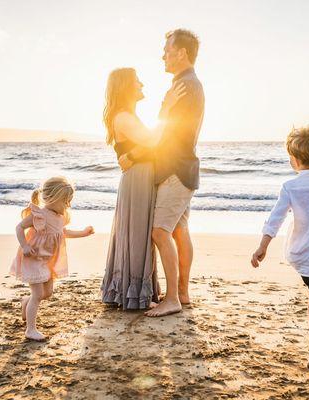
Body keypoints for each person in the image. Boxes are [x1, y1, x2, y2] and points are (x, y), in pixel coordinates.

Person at [119, 29, 205, 317]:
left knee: (160, 232)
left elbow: (166, 132)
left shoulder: (185, 86)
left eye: (167, 50)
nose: (163, 55)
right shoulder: (187, 83)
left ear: (181, 52)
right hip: (182, 167)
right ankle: (181, 292)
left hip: (175, 169)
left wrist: (133, 154)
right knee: (179, 230)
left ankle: (173, 299)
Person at [101, 67, 185, 310]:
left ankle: (137, 290)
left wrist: (134, 154)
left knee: (141, 232)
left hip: (141, 176)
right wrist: (167, 109)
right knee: (138, 232)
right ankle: (132, 292)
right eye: (137, 81)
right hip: (137, 180)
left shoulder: (128, 116)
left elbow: (150, 144)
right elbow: (152, 140)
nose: (142, 85)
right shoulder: (123, 117)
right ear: (126, 86)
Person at [251, 126, 309, 377]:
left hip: (301, 254)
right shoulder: (292, 186)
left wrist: (262, 246)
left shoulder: (291, 186)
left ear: (296, 160)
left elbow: (275, 219)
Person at [10, 176, 94, 341]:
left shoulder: (61, 217)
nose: (68, 205)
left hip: (47, 261)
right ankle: (30, 329)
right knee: (38, 294)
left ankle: (25, 301)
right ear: (53, 198)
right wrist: (25, 246)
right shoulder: (39, 214)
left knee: (47, 293)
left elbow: (63, 233)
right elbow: (19, 227)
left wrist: (83, 233)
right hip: (33, 258)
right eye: (65, 201)